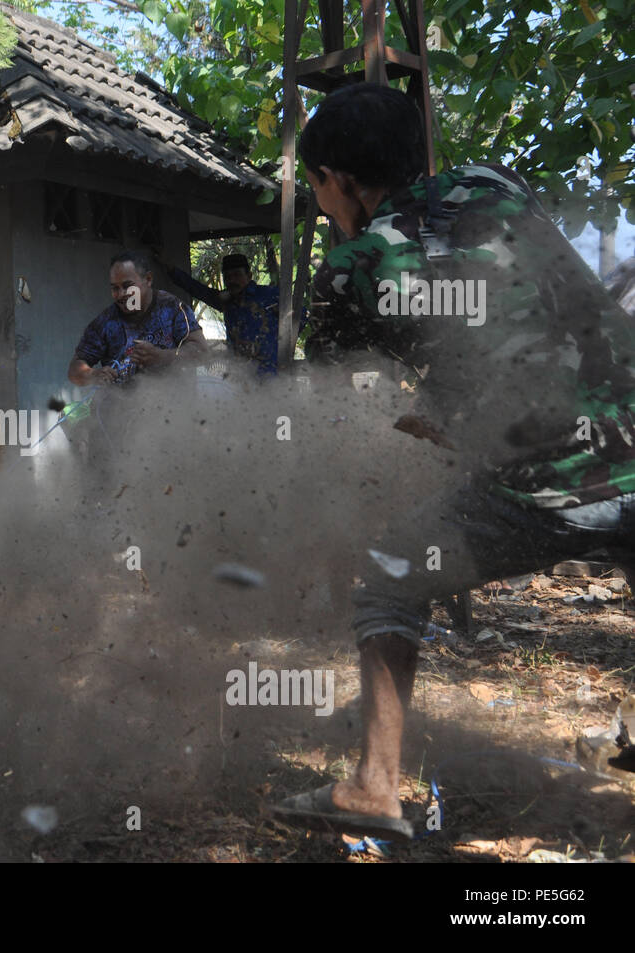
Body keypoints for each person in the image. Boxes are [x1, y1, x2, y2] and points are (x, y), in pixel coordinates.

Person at [271, 83, 635, 839]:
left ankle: (374, 786)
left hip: (547, 478)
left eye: (317, 187)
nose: (321, 204)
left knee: (386, 572)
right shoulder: (494, 183)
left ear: (336, 180)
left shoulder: (351, 268)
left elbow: (348, 404)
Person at [67, 249, 205, 388]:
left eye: (128, 286)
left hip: (173, 404)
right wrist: (92, 375)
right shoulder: (105, 322)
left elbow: (202, 352)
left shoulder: (172, 307)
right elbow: (75, 369)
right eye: (115, 288)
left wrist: (162, 357)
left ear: (148, 279)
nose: (121, 294)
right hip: (120, 407)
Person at [164, 253, 291, 376]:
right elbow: (195, 288)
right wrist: (169, 267)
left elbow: (299, 317)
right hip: (241, 375)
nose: (232, 280)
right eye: (227, 277)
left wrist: (277, 339)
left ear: (249, 275)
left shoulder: (270, 295)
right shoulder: (226, 301)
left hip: (273, 373)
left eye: (237, 275)